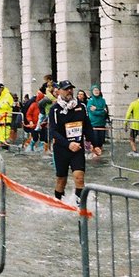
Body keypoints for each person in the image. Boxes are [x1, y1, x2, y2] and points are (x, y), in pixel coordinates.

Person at [48, 80, 102, 208]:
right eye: (66, 89)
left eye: (71, 88)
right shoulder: (55, 110)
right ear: (59, 91)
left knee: (79, 178)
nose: (69, 91)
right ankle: (58, 204)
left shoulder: (81, 107)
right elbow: (53, 132)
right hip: (61, 149)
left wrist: (95, 145)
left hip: (78, 148)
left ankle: (80, 206)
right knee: (61, 180)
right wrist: (68, 144)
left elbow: (87, 127)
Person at [86, 84, 109, 152]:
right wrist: (100, 110)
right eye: (95, 90)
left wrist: (97, 109)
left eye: (97, 90)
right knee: (94, 141)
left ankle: (99, 154)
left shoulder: (103, 100)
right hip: (93, 124)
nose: (96, 91)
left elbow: (105, 111)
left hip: (102, 123)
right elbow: (92, 111)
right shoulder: (91, 100)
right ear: (92, 91)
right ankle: (94, 154)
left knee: (101, 141)